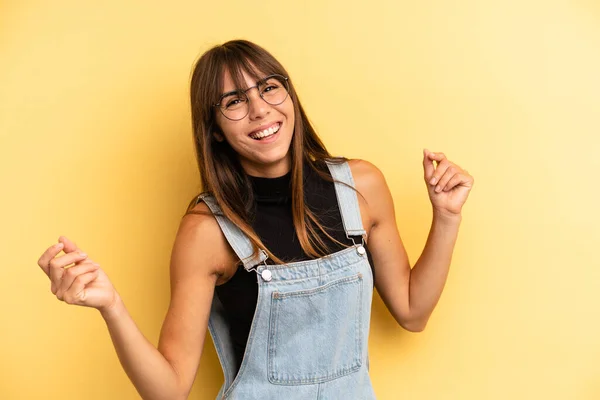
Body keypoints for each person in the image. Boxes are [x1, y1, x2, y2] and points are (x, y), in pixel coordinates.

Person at [37, 40, 474, 400]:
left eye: (268, 88)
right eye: (234, 101)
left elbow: (413, 312)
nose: (260, 109)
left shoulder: (360, 187)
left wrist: (446, 217)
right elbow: (168, 391)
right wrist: (111, 306)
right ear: (214, 129)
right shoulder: (206, 231)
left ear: (289, 94)